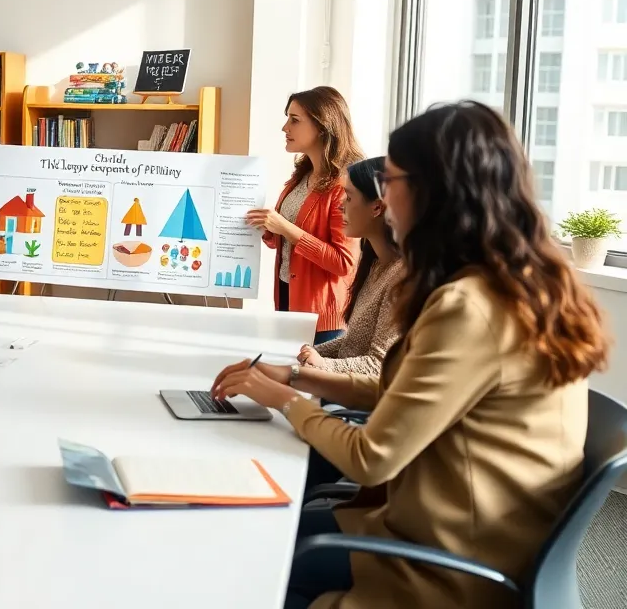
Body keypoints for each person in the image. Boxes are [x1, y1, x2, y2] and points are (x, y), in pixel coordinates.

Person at [211, 100, 608, 609]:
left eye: (392, 179)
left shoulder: (469, 306)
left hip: (448, 562)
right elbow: (408, 393)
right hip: (463, 530)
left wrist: (285, 399)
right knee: (259, 524)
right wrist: (296, 378)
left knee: (248, 546)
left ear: (431, 193)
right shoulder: (517, 282)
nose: (382, 193)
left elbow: (370, 457)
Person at [247, 86, 364, 344]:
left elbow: (343, 262)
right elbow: (284, 239)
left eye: (294, 120)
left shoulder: (343, 187)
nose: (284, 127)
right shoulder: (301, 176)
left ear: (322, 127)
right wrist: (266, 227)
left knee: (309, 382)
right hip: (287, 300)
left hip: (322, 319)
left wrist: (285, 228)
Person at [295, 156, 403, 377]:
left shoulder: (401, 276)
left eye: (350, 197)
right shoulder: (374, 264)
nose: (341, 204)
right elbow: (354, 342)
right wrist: (313, 353)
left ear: (377, 207)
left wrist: (323, 364)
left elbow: (379, 365)